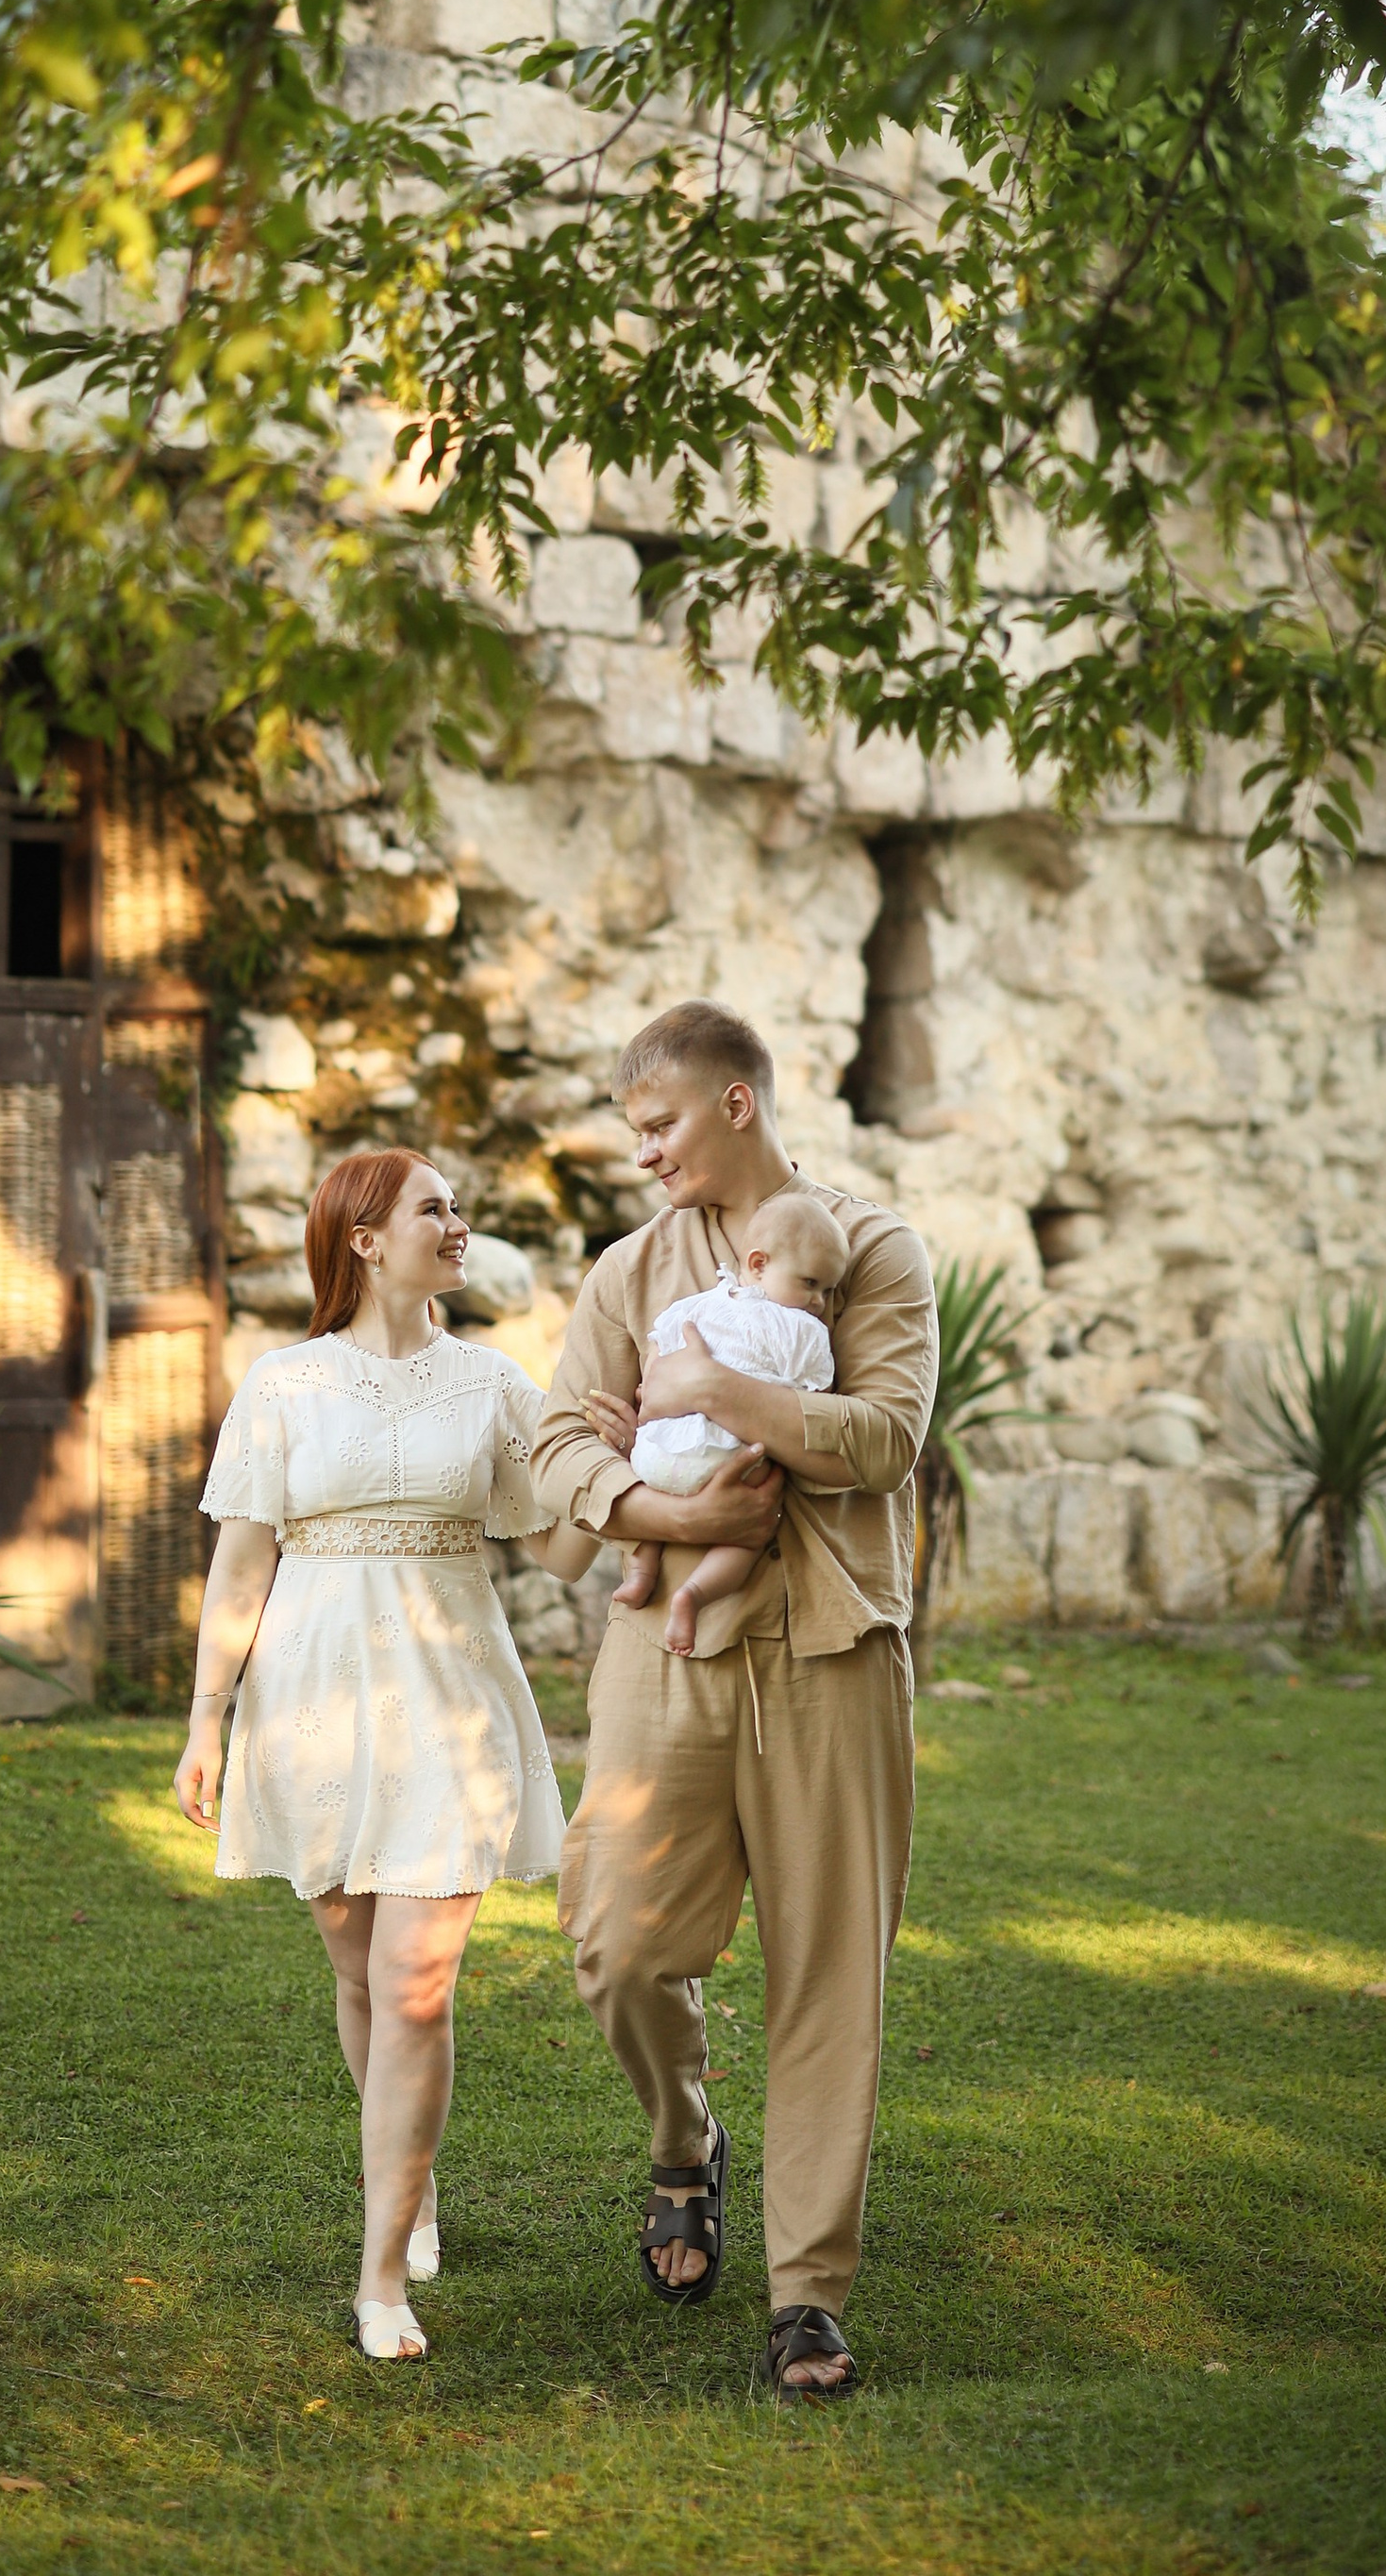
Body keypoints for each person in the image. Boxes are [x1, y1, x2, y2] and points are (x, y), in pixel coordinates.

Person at [532, 1002, 937, 2404]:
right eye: (635, 1132)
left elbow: (884, 1438)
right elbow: (562, 1449)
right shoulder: (626, 1270)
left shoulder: (873, 1248)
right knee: (617, 1941)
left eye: (660, 1126)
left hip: (833, 1651)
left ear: (737, 1105)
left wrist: (714, 1391)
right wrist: (672, 1508)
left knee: (830, 1973)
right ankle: (682, 2137)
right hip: (669, 1645)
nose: (644, 1153)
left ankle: (806, 2294)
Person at [175, 1146, 601, 2366]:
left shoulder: (495, 1384)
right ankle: (407, 2182)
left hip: (450, 1697)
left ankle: (378, 2281)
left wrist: (611, 1468)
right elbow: (242, 1562)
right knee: (360, 1972)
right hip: (312, 1696)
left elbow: (559, 1547)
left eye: (460, 1207)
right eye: (435, 1208)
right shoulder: (284, 1382)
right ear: (364, 1239)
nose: (458, 1224)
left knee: (416, 1982)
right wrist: (208, 1717)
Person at [608, 1188, 850, 1655]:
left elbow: (658, 1354)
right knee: (750, 1532)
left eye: (827, 1290)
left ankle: (641, 1572)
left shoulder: (699, 1305)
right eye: (810, 1283)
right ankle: (692, 1595)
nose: (819, 1301)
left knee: (653, 1502)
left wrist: (653, 1397)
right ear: (758, 1263)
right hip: (730, 1459)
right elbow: (815, 1399)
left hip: (660, 1452)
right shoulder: (803, 1330)